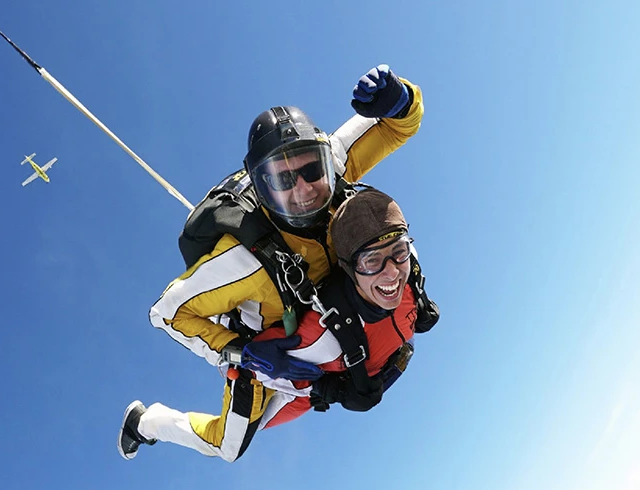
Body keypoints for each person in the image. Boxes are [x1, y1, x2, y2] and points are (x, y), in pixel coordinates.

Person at [121, 66, 433, 461]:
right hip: (269, 351)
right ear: (261, 187)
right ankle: (146, 422)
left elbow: (396, 126)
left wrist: (400, 97)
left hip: (325, 316)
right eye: (281, 181)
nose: (303, 190)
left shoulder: (333, 168)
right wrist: (238, 351)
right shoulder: (242, 263)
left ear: (324, 160)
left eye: (309, 170)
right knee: (229, 446)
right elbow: (167, 314)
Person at [120, 187, 425, 461]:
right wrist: (327, 390)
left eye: (399, 253)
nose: (392, 272)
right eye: (372, 261)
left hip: (326, 355)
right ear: (349, 264)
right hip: (259, 365)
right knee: (229, 446)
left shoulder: (408, 276)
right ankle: (146, 422)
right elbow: (268, 369)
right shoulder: (319, 334)